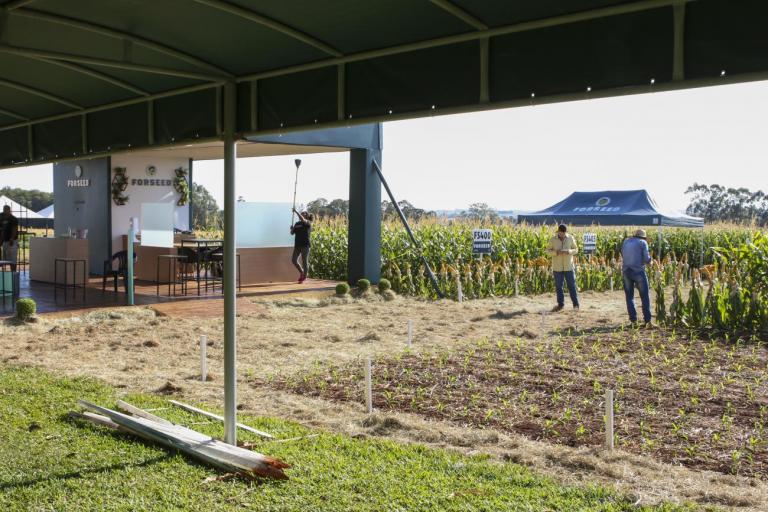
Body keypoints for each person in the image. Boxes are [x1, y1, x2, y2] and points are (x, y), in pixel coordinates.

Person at [621, 228, 652, 326]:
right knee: (645, 296)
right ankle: (647, 321)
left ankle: (633, 321)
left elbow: (623, 254)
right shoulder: (643, 242)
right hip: (638, 271)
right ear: (643, 237)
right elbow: (646, 259)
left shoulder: (626, 242)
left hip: (626, 271)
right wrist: (650, 261)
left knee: (629, 297)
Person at [547, 224, 580, 311]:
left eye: (564, 233)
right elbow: (547, 251)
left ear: (566, 232)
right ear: (558, 232)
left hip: (569, 266)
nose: (562, 235)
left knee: (572, 286)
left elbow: (576, 249)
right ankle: (560, 305)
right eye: (561, 233)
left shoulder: (570, 238)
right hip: (557, 267)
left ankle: (576, 305)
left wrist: (569, 251)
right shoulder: (553, 239)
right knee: (559, 287)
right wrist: (556, 252)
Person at [289, 208, 313, 283]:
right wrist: (292, 229)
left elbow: (303, 219)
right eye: (301, 213)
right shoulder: (297, 224)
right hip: (297, 245)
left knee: (304, 261)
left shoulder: (308, 223)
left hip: (305, 245)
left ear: (307, 215)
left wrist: (296, 211)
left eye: (304, 213)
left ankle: (304, 276)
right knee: (294, 260)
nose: (302, 214)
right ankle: (302, 272)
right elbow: (292, 233)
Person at [0, 205, 18, 272]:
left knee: (12, 259)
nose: (5, 211)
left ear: (9, 210)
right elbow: (2, 230)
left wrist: (12, 238)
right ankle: (5, 274)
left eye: (6, 210)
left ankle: (13, 273)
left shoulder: (13, 219)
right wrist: (1, 241)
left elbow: (14, 229)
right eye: (4, 210)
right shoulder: (2, 217)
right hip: (5, 240)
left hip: (12, 241)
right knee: (5, 259)